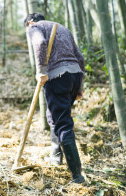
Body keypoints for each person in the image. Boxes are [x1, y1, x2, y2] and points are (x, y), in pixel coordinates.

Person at [24, 13, 85, 184]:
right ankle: (56, 157)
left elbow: (40, 42)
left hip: (58, 77)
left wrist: (41, 71)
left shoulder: (35, 27)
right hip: (75, 75)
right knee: (56, 117)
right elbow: (79, 57)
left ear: (29, 23)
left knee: (62, 122)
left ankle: (77, 175)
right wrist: (79, 86)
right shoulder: (63, 28)